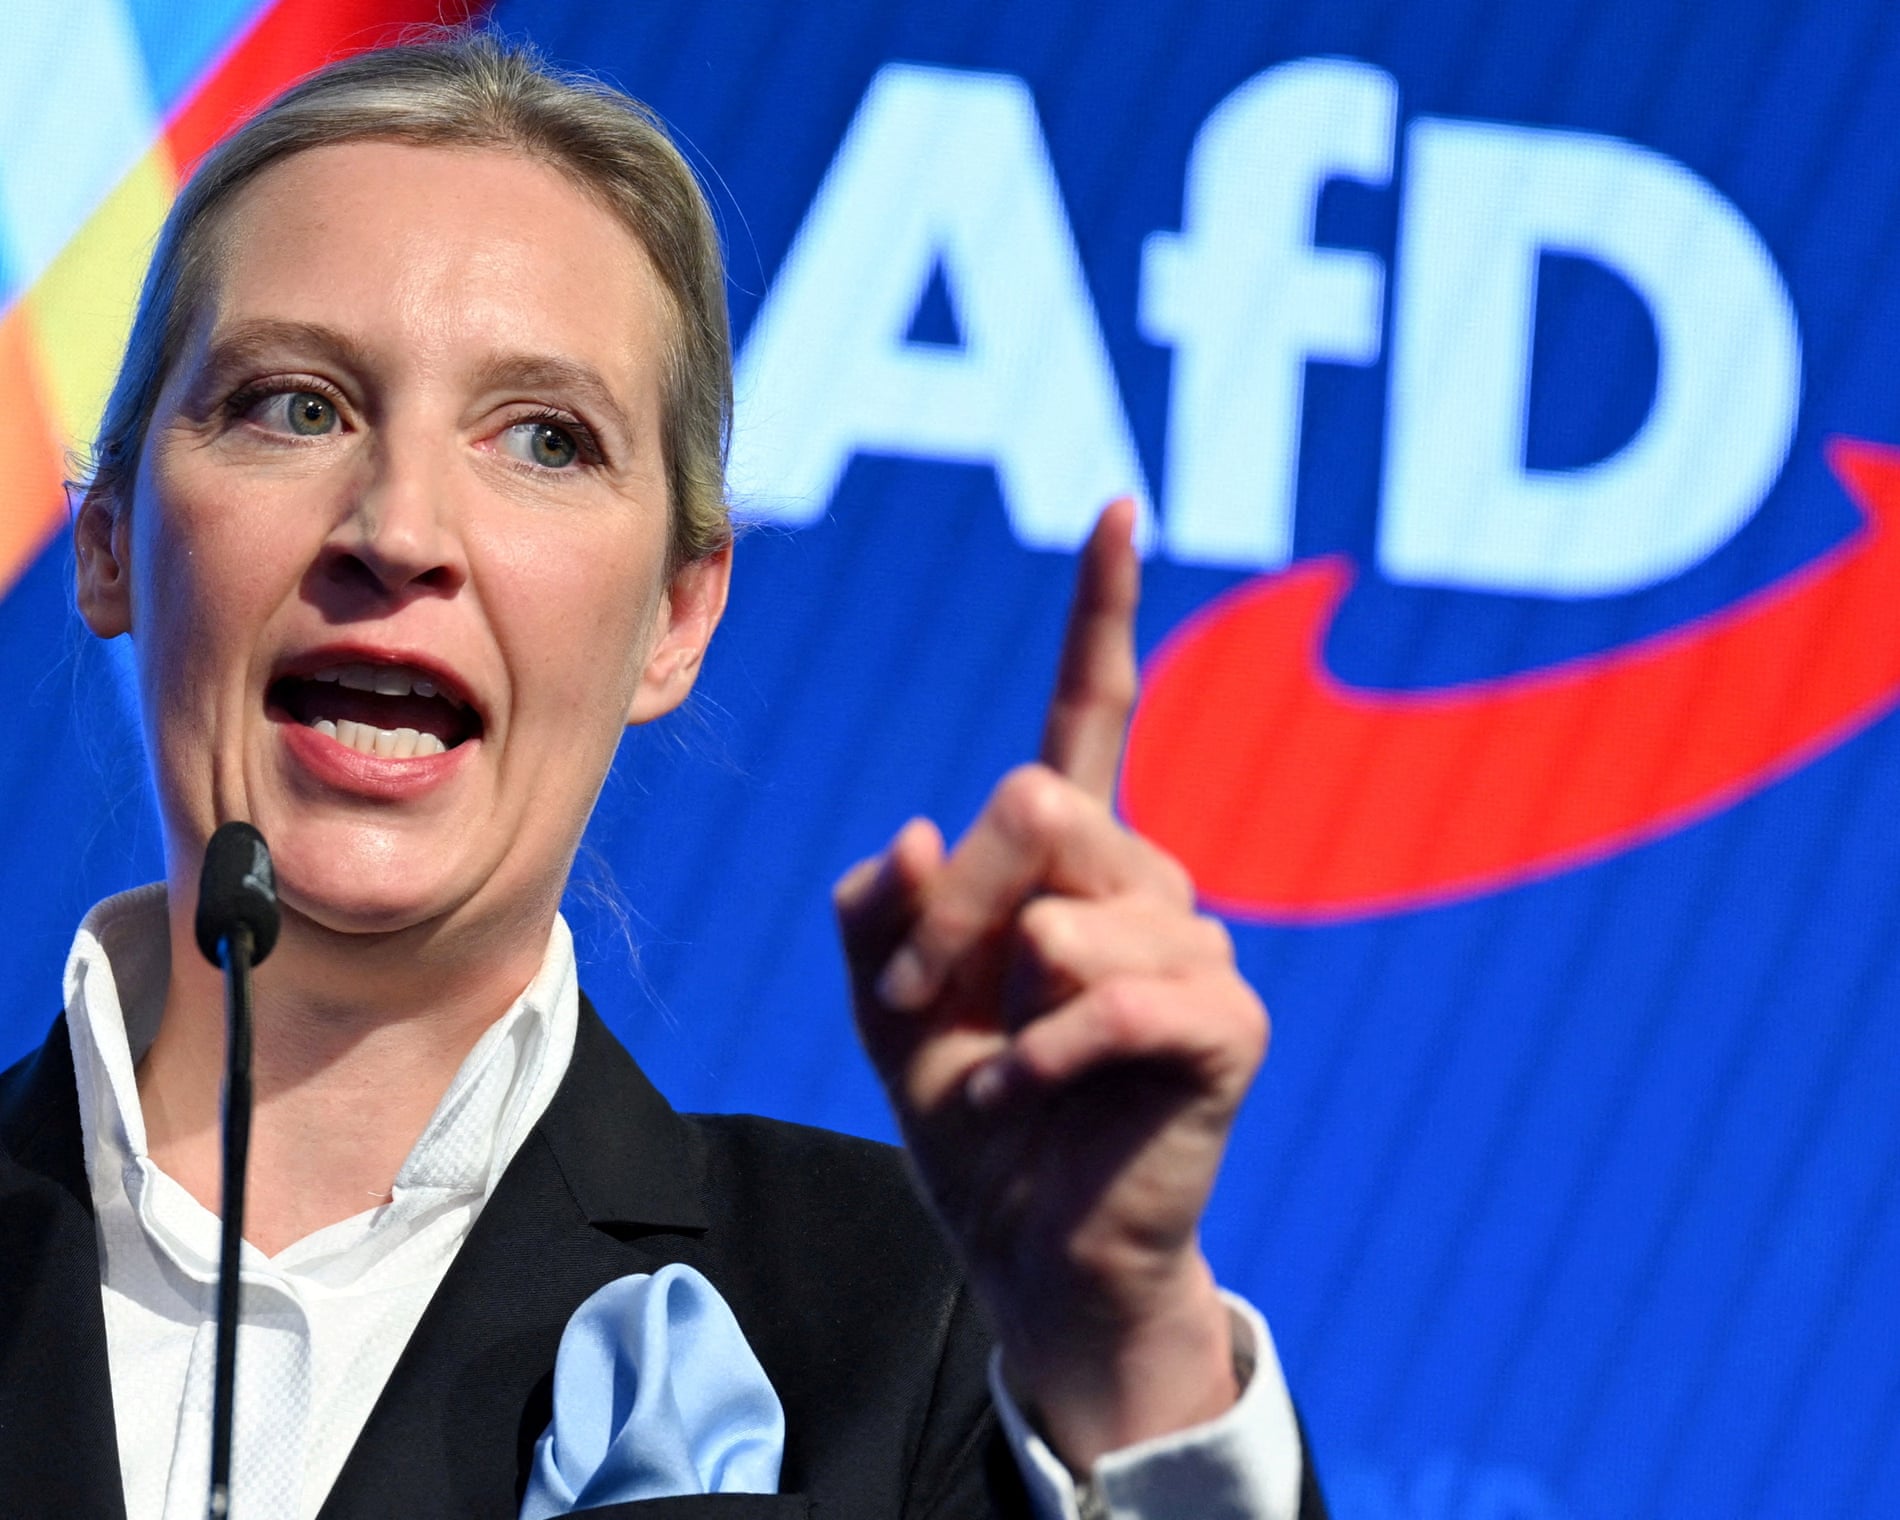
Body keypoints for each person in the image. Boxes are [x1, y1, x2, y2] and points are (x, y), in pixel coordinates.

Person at [0, 32, 1325, 1520]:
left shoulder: (914, 1336)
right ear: (109, 539)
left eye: (546, 439)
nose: (399, 524)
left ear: (676, 619)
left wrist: (1124, 1339)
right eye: (296, 404)